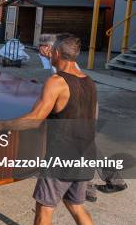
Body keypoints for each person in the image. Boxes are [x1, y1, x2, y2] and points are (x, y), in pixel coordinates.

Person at [0, 35, 113, 225]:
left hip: (62, 157)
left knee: (45, 208)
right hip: (85, 154)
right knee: (77, 207)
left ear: (57, 54)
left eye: (50, 50)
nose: (47, 53)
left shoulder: (56, 81)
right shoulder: (89, 81)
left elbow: (34, 119)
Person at [38, 34, 126, 202]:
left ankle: (90, 186)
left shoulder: (60, 62)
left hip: (80, 103)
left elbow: (65, 85)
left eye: (39, 47)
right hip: (79, 100)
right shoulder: (58, 60)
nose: (38, 51)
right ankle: (112, 179)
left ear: (49, 48)